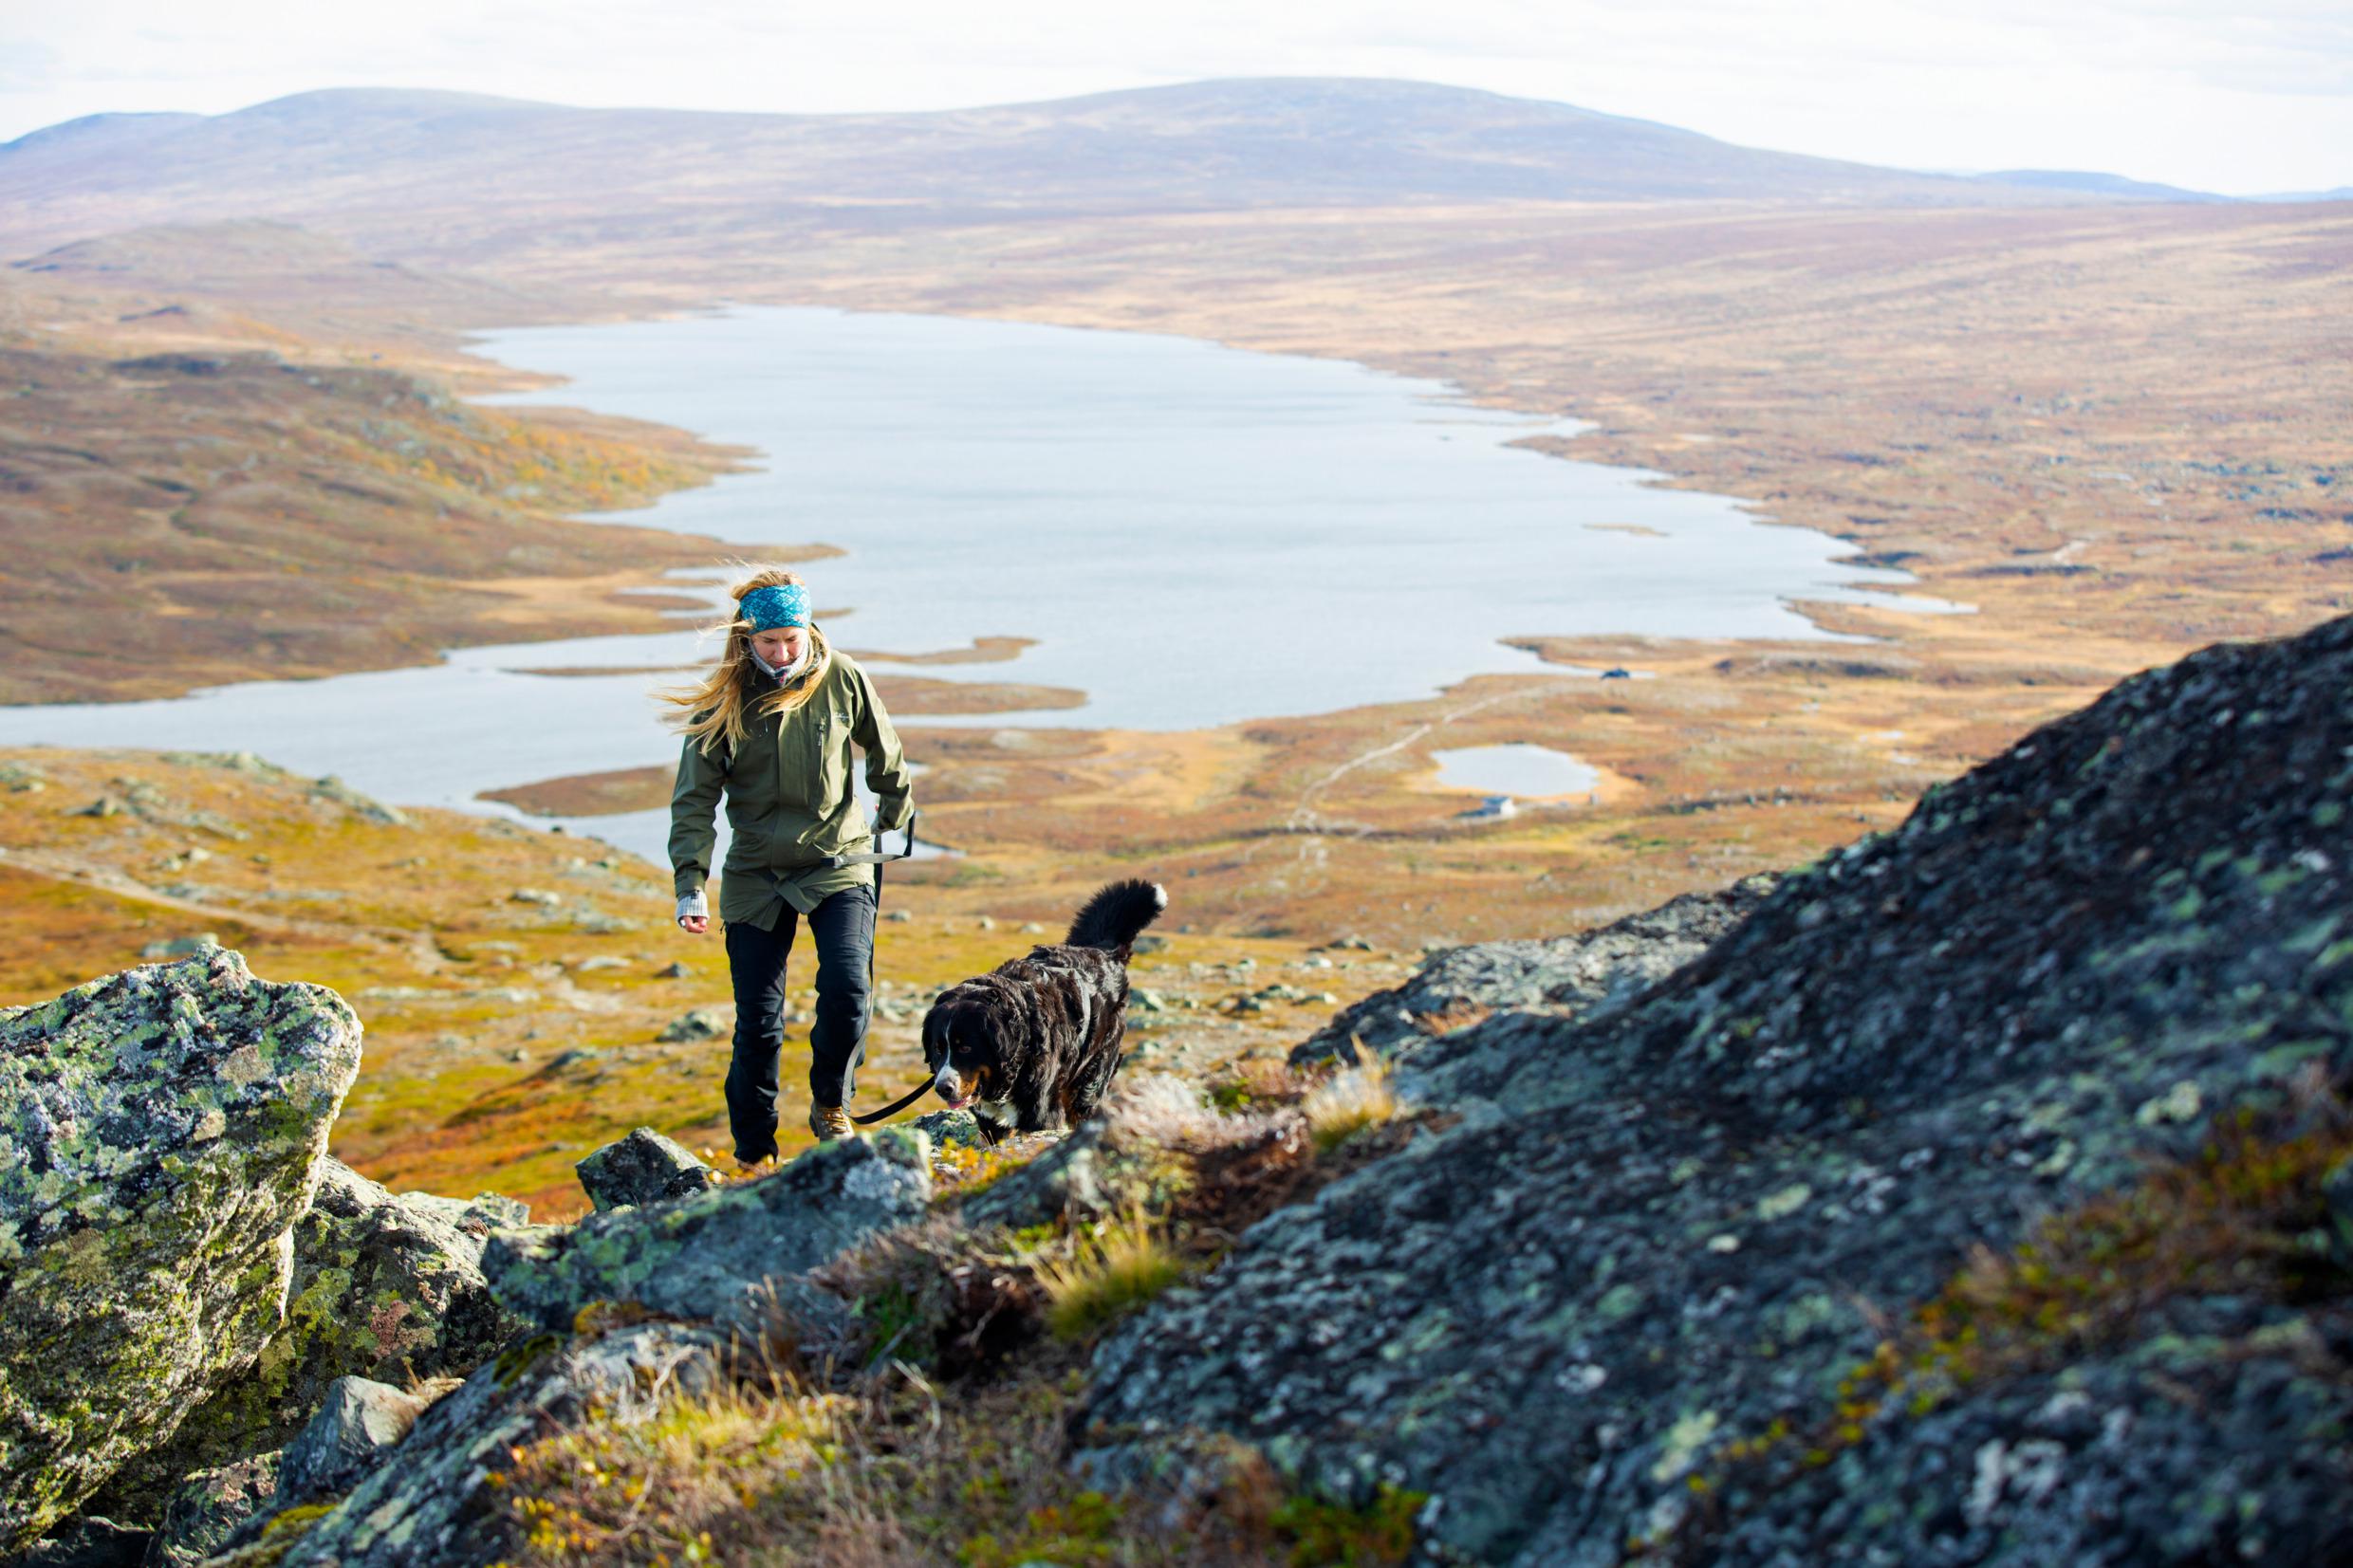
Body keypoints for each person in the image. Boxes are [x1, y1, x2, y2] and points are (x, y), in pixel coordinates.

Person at [664, 567, 913, 1168]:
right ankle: (755, 1155)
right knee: (758, 1023)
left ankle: (831, 1104)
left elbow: (885, 750)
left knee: (849, 989)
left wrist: (895, 810)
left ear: (808, 631)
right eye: (769, 641)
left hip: (838, 859)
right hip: (756, 874)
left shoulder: (842, 676)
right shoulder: (723, 699)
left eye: (791, 639)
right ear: (747, 639)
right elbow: (694, 800)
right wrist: (691, 883)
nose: (782, 652)